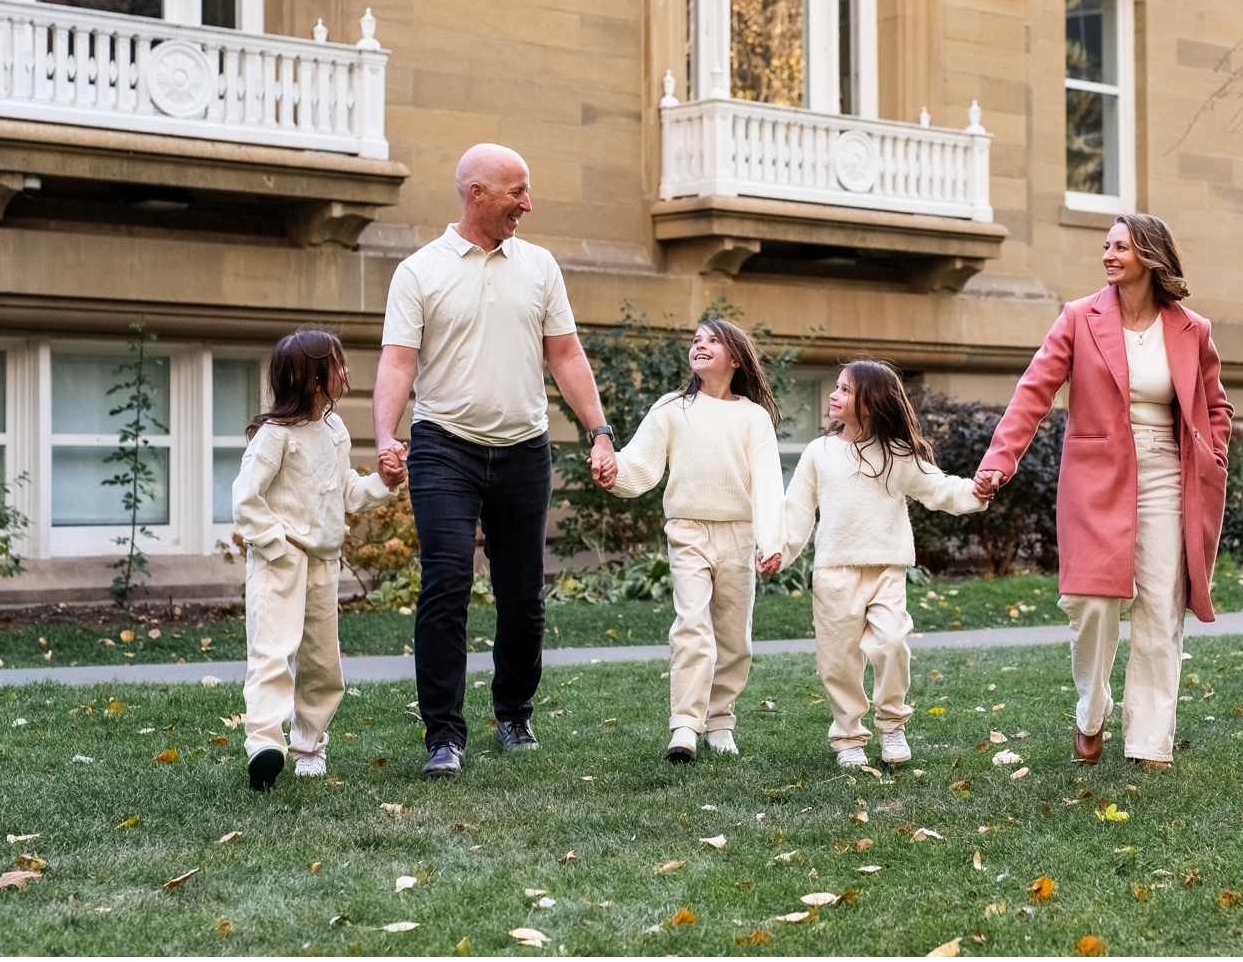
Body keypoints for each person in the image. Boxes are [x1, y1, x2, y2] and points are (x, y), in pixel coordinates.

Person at [373, 144, 618, 778]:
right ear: (476, 193)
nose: (527, 204)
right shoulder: (419, 271)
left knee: (522, 595)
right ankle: (444, 736)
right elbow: (398, 361)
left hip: (523, 451)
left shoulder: (539, 266)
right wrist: (384, 437)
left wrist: (598, 431)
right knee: (446, 587)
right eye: (516, 192)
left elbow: (565, 355)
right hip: (442, 447)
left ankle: (513, 712)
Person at [974, 214, 1231, 770]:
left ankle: (1149, 741)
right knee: (1091, 602)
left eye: (1121, 246)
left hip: (1168, 469)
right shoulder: (1077, 319)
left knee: (1161, 605)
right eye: (1106, 246)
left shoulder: (1193, 329)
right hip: (1097, 475)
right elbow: (1032, 393)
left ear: (1149, 256)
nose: (1109, 255)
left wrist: (1215, 453)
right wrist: (1000, 460)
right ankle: (1092, 710)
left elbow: (1216, 406)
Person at [779, 360, 987, 769]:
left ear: (871, 404)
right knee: (838, 660)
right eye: (834, 387)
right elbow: (797, 509)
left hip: (887, 569)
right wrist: (779, 551)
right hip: (834, 571)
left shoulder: (898, 454)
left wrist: (976, 493)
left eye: (844, 390)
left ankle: (892, 724)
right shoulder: (819, 452)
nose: (834, 396)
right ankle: (849, 737)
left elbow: (939, 488)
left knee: (892, 644)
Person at [607, 319, 785, 764]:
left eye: (712, 341)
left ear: (736, 358)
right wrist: (614, 472)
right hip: (687, 531)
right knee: (691, 626)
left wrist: (772, 540)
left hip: (739, 535)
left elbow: (767, 482)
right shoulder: (672, 408)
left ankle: (719, 720)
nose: (700, 345)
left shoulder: (753, 417)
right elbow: (639, 463)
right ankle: (685, 726)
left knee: (734, 637)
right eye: (696, 340)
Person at [232, 329, 402, 792]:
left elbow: (345, 490)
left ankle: (310, 747)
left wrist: (384, 482)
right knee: (271, 652)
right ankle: (265, 744)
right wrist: (275, 546)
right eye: (337, 366)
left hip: (325, 562)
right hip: (279, 563)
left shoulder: (334, 429)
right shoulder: (275, 435)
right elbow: (246, 498)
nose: (345, 373)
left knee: (322, 663)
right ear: (311, 379)